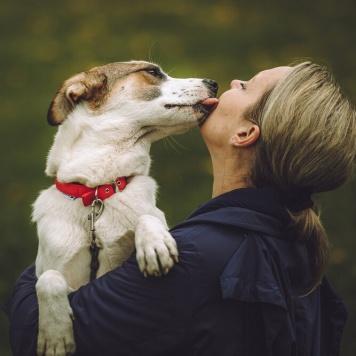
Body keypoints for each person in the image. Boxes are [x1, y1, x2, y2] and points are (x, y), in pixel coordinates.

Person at [3, 61, 356, 356]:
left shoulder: (194, 257)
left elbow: (31, 336)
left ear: (246, 134)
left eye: (245, 86)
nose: (230, 82)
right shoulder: (300, 252)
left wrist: (40, 269)